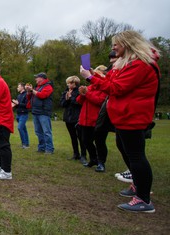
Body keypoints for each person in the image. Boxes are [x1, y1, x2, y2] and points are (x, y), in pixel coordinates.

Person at [80, 30, 159, 213]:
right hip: (124, 115)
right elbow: (112, 80)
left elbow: (116, 88)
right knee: (126, 149)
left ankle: (143, 199)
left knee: (136, 155)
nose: (114, 48)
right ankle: (137, 186)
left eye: (117, 44)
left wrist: (90, 78)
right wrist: (94, 74)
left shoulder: (140, 65)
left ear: (128, 44)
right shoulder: (129, 63)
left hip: (132, 115)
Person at [76, 67, 107, 168]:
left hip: (97, 120)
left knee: (100, 142)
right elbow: (79, 101)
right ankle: (93, 159)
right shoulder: (89, 88)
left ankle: (101, 162)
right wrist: (82, 94)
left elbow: (100, 101)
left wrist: (87, 94)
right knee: (86, 141)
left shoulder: (104, 89)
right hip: (85, 120)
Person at [25, 72, 55, 154]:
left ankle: (49, 149)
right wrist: (28, 92)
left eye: (37, 77)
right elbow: (29, 98)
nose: (35, 79)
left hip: (44, 112)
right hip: (36, 111)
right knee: (38, 131)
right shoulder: (37, 87)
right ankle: (41, 147)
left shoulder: (48, 86)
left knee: (46, 132)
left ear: (42, 78)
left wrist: (32, 90)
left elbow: (42, 95)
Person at [60, 76, 83, 161]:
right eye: (68, 83)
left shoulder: (79, 92)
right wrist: (67, 99)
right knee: (73, 137)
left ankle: (83, 155)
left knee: (80, 137)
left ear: (74, 83)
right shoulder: (65, 92)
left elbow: (79, 103)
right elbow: (62, 104)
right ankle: (76, 154)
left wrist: (71, 98)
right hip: (68, 118)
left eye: (70, 83)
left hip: (77, 117)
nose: (68, 85)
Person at [11, 82, 30, 149]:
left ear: (22, 87)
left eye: (18, 87)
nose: (17, 88)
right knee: (24, 129)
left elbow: (27, 105)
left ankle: (24, 144)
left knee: (20, 128)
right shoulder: (19, 96)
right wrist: (13, 105)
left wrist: (18, 103)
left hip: (24, 114)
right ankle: (27, 143)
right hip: (19, 114)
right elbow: (18, 105)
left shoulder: (26, 95)